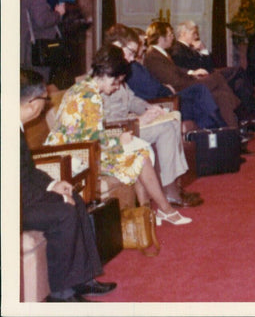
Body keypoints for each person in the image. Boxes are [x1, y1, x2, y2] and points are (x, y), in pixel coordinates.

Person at [45, 46, 192, 227]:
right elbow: (93, 138)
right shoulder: (90, 96)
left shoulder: (83, 88)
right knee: (140, 156)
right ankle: (163, 211)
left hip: (77, 149)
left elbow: (91, 133)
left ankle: (151, 214)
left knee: (137, 153)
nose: (115, 89)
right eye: (116, 83)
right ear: (107, 75)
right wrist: (119, 140)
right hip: (76, 156)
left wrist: (119, 139)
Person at [20, 69, 117, 302]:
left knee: (74, 197)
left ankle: (82, 279)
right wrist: (46, 195)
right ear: (33, 104)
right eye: (45, 100)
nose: (46, 105)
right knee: (63, 212)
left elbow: (27, 172)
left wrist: (54, 184)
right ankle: (62, 294)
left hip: (21, 195)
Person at [102, 26, 203, 209]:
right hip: (119, 132)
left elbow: (131, 99)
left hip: (129, 123)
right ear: (117, 46)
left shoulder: (117, 70)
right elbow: (105, 122)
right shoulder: (104, 73)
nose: (133, 58)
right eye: (131, 52)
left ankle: (174, 185)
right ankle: (170, 190)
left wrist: (150, 108)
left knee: (173, 116)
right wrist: (137, 119)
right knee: (166, 127)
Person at [142, 21, 250, 147]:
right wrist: (193, 79)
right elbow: (174, 81)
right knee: (217, 77)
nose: (173, 37)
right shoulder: (153, 56)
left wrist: (192, 73)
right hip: (180, 90)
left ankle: (233, 138)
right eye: (170, 34)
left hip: (184, 84)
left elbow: (177, 70)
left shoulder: (161, 53)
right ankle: (241, 112)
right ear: (161, 38)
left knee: (222, 96)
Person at [105, 24, 227, 131]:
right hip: (163, 101)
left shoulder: (135, 64)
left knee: (205, 94)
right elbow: (151, 90)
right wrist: (167, 89)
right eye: (141, 44)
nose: (143, 48)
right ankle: (222, 132)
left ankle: (216, 137)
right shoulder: (132, 67)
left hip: (164, 97)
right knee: (201, 95)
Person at [171, 20, 255, 122]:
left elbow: (210, 66)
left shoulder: (189, 47)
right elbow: (188, 69)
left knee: (239, 83)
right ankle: (254, 107)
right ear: (183, 34)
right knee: (238, 70)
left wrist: (203, 50)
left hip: (209, 75)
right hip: (203, 80)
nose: (196, 36)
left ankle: (249, 117)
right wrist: (196, 61)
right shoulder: (178, 49)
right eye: (193, 33)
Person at [21, 0, 66, 81]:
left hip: (30, 50)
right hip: (39, 50)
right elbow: (42, 21)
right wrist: (58, 14)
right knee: (40, 83)